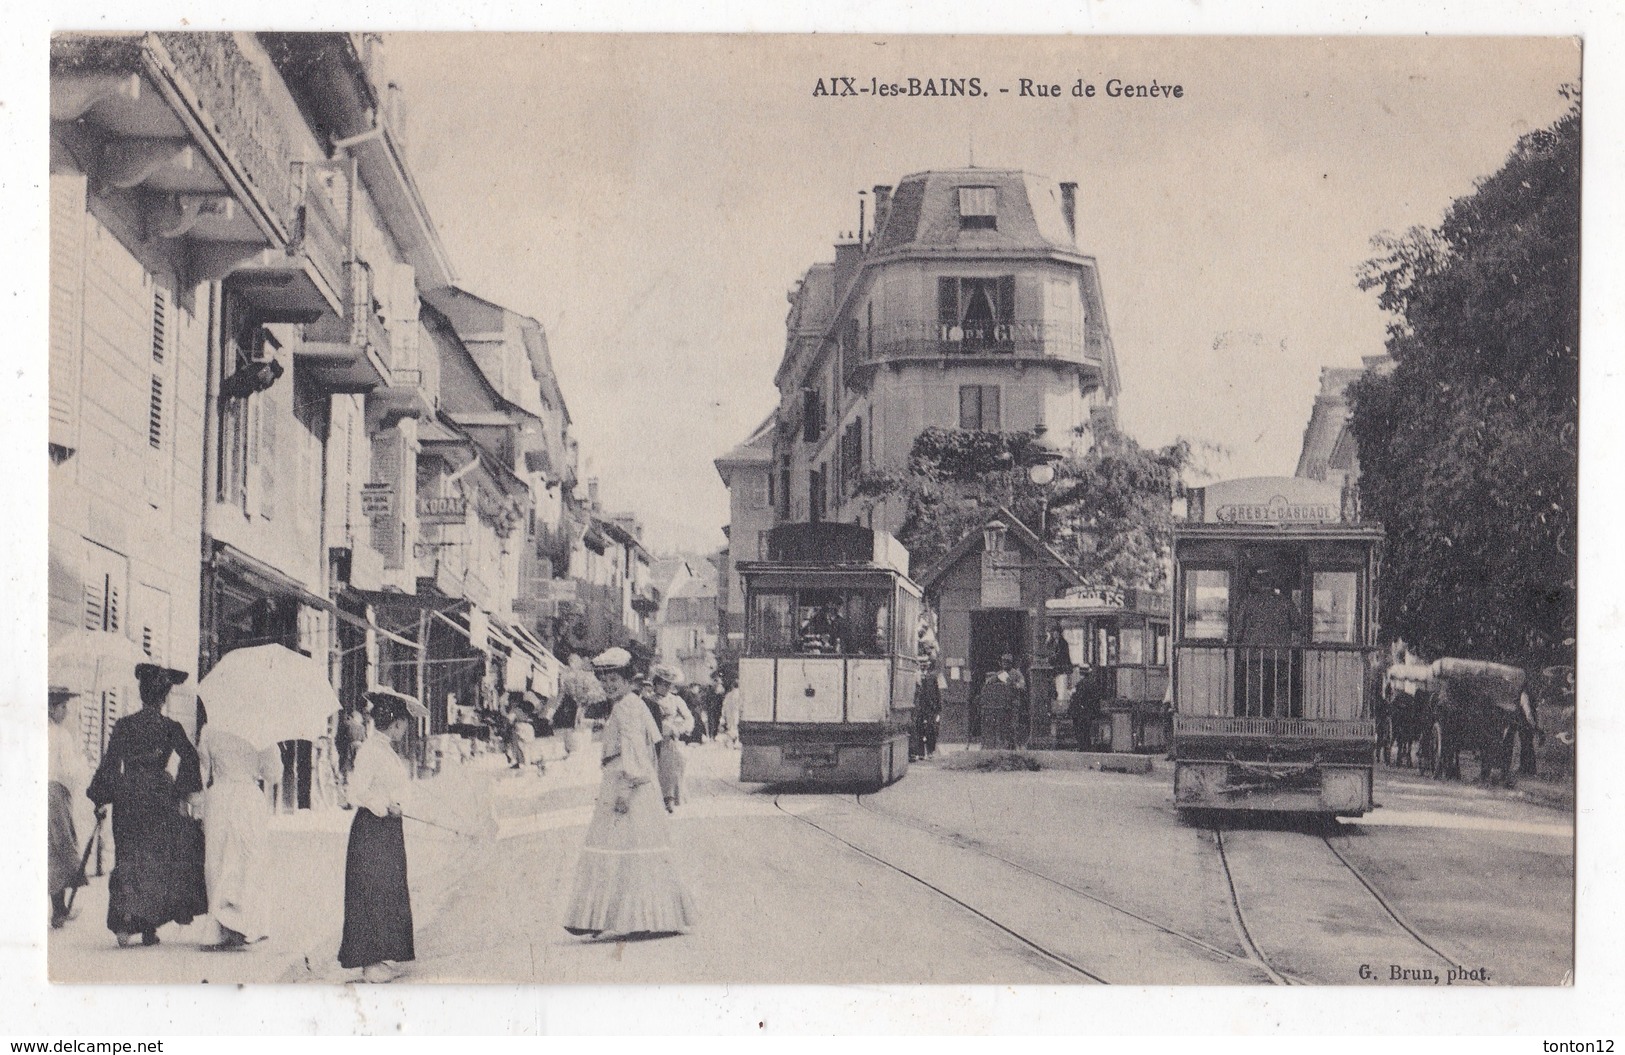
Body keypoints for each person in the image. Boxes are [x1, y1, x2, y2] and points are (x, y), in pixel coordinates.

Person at [563, 648, 698, 939]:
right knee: (622, 850)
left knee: (623, 850)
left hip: (628, 785)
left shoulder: (627, 706)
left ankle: (620, 918)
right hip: (624, 782)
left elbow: (637, 751)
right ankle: (618, 917)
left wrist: (625, 788)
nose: (609, 684)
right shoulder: (629, 703)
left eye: (615, 679)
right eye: (605, 679)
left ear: (626, 679)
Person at [86, 663, 207, 948]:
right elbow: (190, 758)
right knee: (155, 861)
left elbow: (111, 762)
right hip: (159, 798)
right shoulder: (170, 727)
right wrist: (181, 794)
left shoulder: (124, 725)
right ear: (164, 697)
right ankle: (150, 927)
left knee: (128, 858)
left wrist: (102, 797)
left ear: (141, 694)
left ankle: (123, 927)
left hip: (128, 797)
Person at [338, 693, 418, 983]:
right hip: (371, 828)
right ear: (395, 724)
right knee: (370, 890)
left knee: (388, 890)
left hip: (386, 829)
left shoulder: (384, 750)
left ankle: (384, 956)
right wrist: (384, 804)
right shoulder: (372, 750)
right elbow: (356, 791)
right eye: (404, 724)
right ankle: (369, 963)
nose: (405, 729)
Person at [196, 720, 281, 951]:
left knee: (217, 859)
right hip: (247, 797)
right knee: (247, 860)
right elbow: (274, 773)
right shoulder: (261, 729)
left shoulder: (210, 729)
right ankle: (245, 924)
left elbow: (203, 765)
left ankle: (217, 929)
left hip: (219, 796)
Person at [48, 685, 90, 929]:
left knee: (48, 850)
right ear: (52, 708)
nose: (66, 711)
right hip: (55, 793)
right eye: (63, 706)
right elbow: (68, 771)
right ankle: (59, 910)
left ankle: (59, 909)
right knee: (60, 848)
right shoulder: (61, 735)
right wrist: (82, 758)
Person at [650, 664, 694, 812]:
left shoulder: (676, 700)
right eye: (663, 684)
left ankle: (669, 799)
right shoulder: (648, 700)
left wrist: (678, 729)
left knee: (670, 769)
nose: (666, 687)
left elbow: (689, 719)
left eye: (669, 684)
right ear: (655, 683)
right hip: (651, 741)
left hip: (669, 742)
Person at [1068, 664, 1101, 751]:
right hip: (1088, 711)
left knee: (1080, 730)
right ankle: (1086, 747)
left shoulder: (1081, 684)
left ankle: (1083, 747)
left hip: (1080, 712)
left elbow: (1077, 698)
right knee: (1086, 730)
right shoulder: (1092, 683)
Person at [717, 673, 742, 749]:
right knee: (735, 726)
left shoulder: (728, 695)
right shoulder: (740, 694)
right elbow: (741, 706)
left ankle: (730, 741)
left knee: (731, 727)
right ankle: (735, 742)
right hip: (735, 713)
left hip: (729, 713)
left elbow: (724, 706)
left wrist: (723, 715)